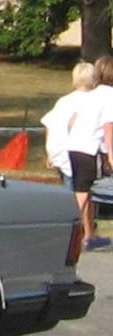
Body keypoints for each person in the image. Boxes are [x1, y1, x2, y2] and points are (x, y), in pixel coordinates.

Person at [67, 57, 113, 250]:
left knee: (86, 191)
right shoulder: (109, 95)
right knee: (83, 193)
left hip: (74, 145)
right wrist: (111, 153)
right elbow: (108, 126)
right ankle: (69, 233)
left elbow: (73, 120)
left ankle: (89, 235)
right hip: (89, 148)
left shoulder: (91, 94)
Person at [41, 62, 96, 187]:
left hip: (60, 155)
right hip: (80, 156)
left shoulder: (64, 101)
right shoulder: (93, 101)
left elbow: (50, 125)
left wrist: (50, 153)